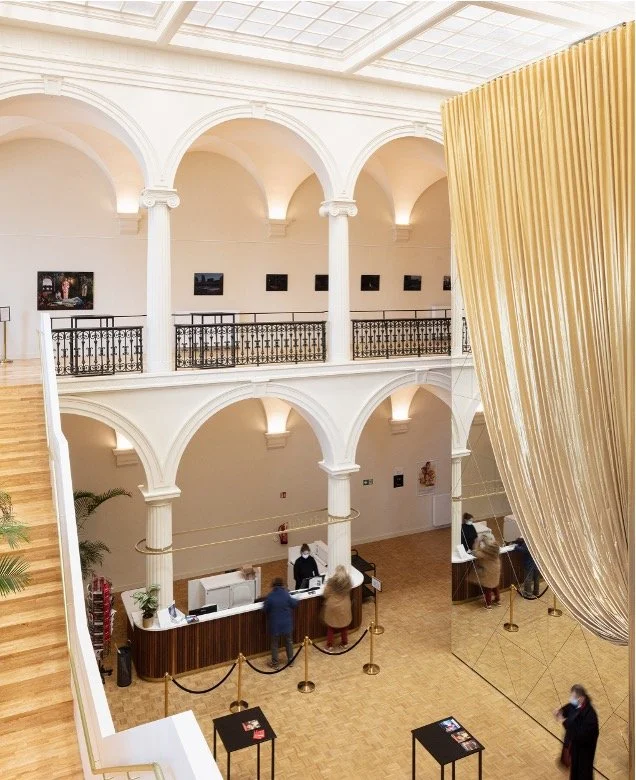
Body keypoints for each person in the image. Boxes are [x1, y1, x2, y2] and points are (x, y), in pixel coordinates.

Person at [554, 685, 599, 779]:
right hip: (575, 747)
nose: (571, 699)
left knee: (583, 773)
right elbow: (569, 708)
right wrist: (561, 711)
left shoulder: (591, 717)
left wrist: (565, 722)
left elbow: (580, 733)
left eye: (573, 697)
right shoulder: (577, 704)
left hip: (584, 751)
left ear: (581, 698)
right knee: (574, 771)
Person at [263, 577, 297, 669]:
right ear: (282, 585)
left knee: (274, 644)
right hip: (287, 624)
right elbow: (294, 604)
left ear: (273, 586)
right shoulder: (286, 594)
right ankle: (291, 661)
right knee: (289, 642)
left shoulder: (270, 596)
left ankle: (275, 663)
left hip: (275, 625)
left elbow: (265, 609)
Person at [322, 564, 353, 650]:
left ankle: (329, 645)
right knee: (344, 626)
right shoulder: (348, 582)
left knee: (331, 627)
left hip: (333, 607)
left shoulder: (331, 582)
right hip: (344, 606)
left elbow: (325, 593)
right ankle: (344, 643)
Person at [472, 534, 501, 608]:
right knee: (495, 585)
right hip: (496, 569)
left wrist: (478, 542)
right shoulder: (496, 548)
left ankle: (488, 605)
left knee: (488, 588)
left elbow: (475, 552)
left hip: (489, 571)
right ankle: (498, 600)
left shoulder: (485, 553)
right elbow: (490, 545)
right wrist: (485, 540)